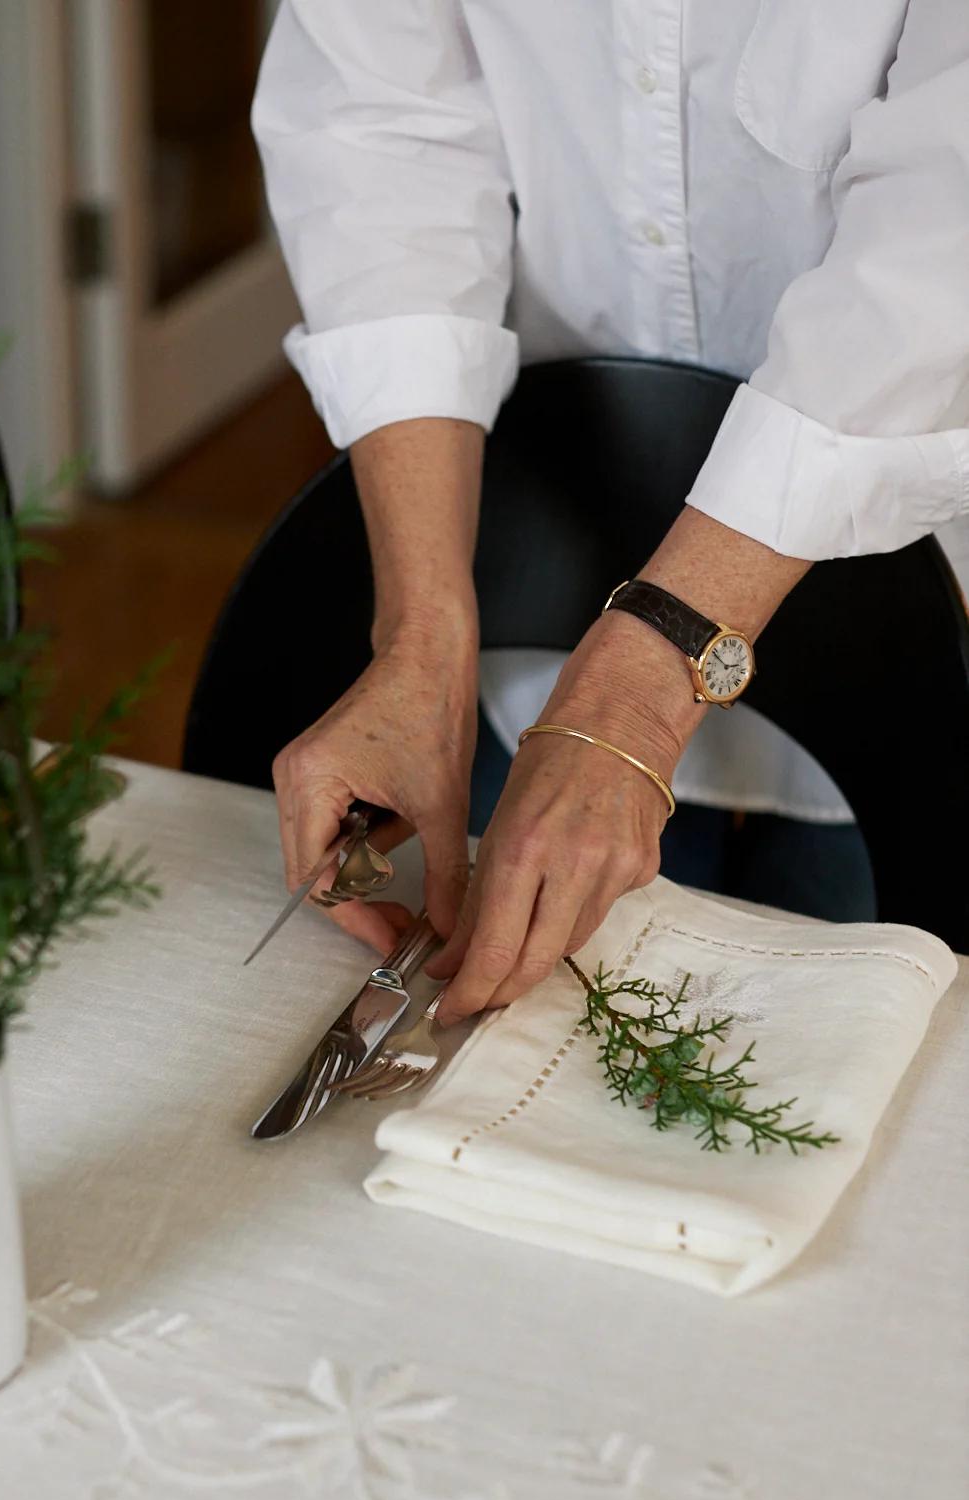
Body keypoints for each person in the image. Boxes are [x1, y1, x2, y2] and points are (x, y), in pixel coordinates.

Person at [251, 3, 969, 1025]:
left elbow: (944, 239)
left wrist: (634, 691)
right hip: (544, 616)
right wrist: (422, 644)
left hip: (920, 613)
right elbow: (378, 129)